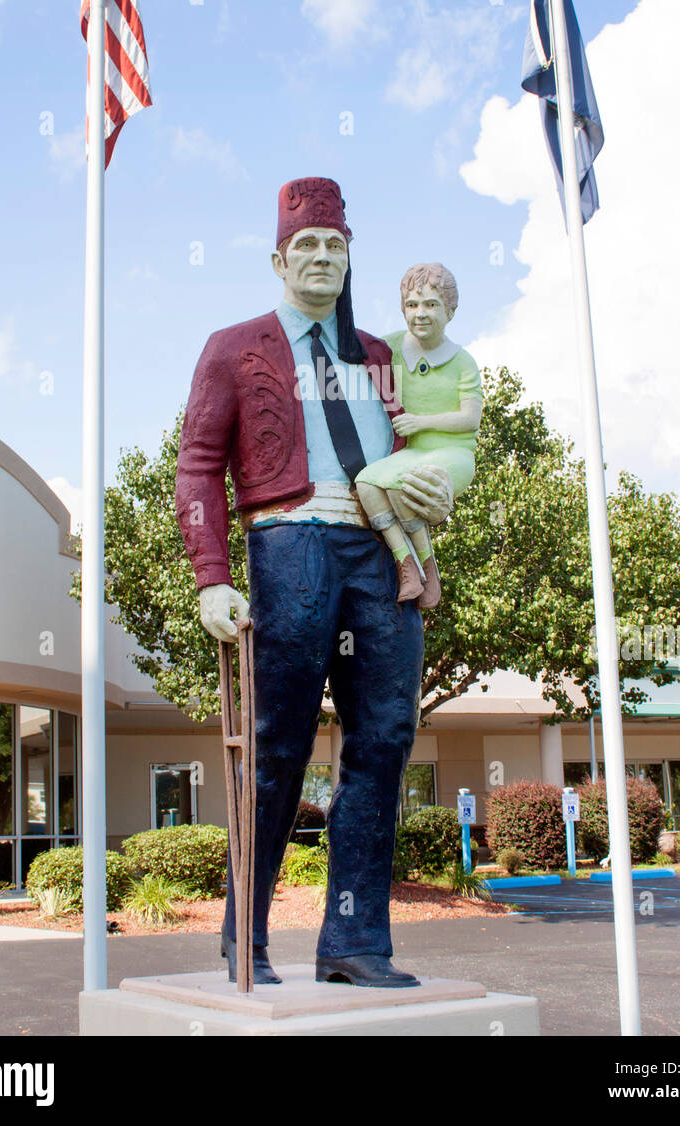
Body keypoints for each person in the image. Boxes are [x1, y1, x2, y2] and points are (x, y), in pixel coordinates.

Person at [175, 176, 453, 989]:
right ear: (278, 258)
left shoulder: (380, 355)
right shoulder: (234, 347)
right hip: (287, 542)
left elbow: (417, 448)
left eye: (336, 245)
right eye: (308, 246)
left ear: (349, 256)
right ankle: (245, 937)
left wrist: (433, 482)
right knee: (277, 746)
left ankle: (354, 941)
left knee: (385, 740)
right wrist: (210, 578)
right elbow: (197, 468)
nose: (323, 258)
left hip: (380, 549)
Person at [355, 263, 482, 609]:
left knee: (403, 486)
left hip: (451, 451)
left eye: (431, 305)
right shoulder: (393, 347)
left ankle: (428, 565)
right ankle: (405, 562)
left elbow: (470, 418)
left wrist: (421, 422)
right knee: (367, 483)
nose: (420, 314)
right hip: (412, 451)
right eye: (412, 305)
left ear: (450, 311)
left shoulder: (462, 362)